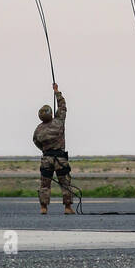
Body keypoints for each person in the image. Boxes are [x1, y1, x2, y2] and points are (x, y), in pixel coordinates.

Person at [33, 82, 75, 214]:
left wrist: (45, 150)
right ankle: (68, 207)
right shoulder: (59, 122)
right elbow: (62, 106)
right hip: (60, 159)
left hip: (46, 159)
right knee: (65, 183)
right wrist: (57, 91)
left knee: (45, 184)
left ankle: (43, 207)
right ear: (51, 113)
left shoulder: (39, 129)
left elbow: (36, 141)